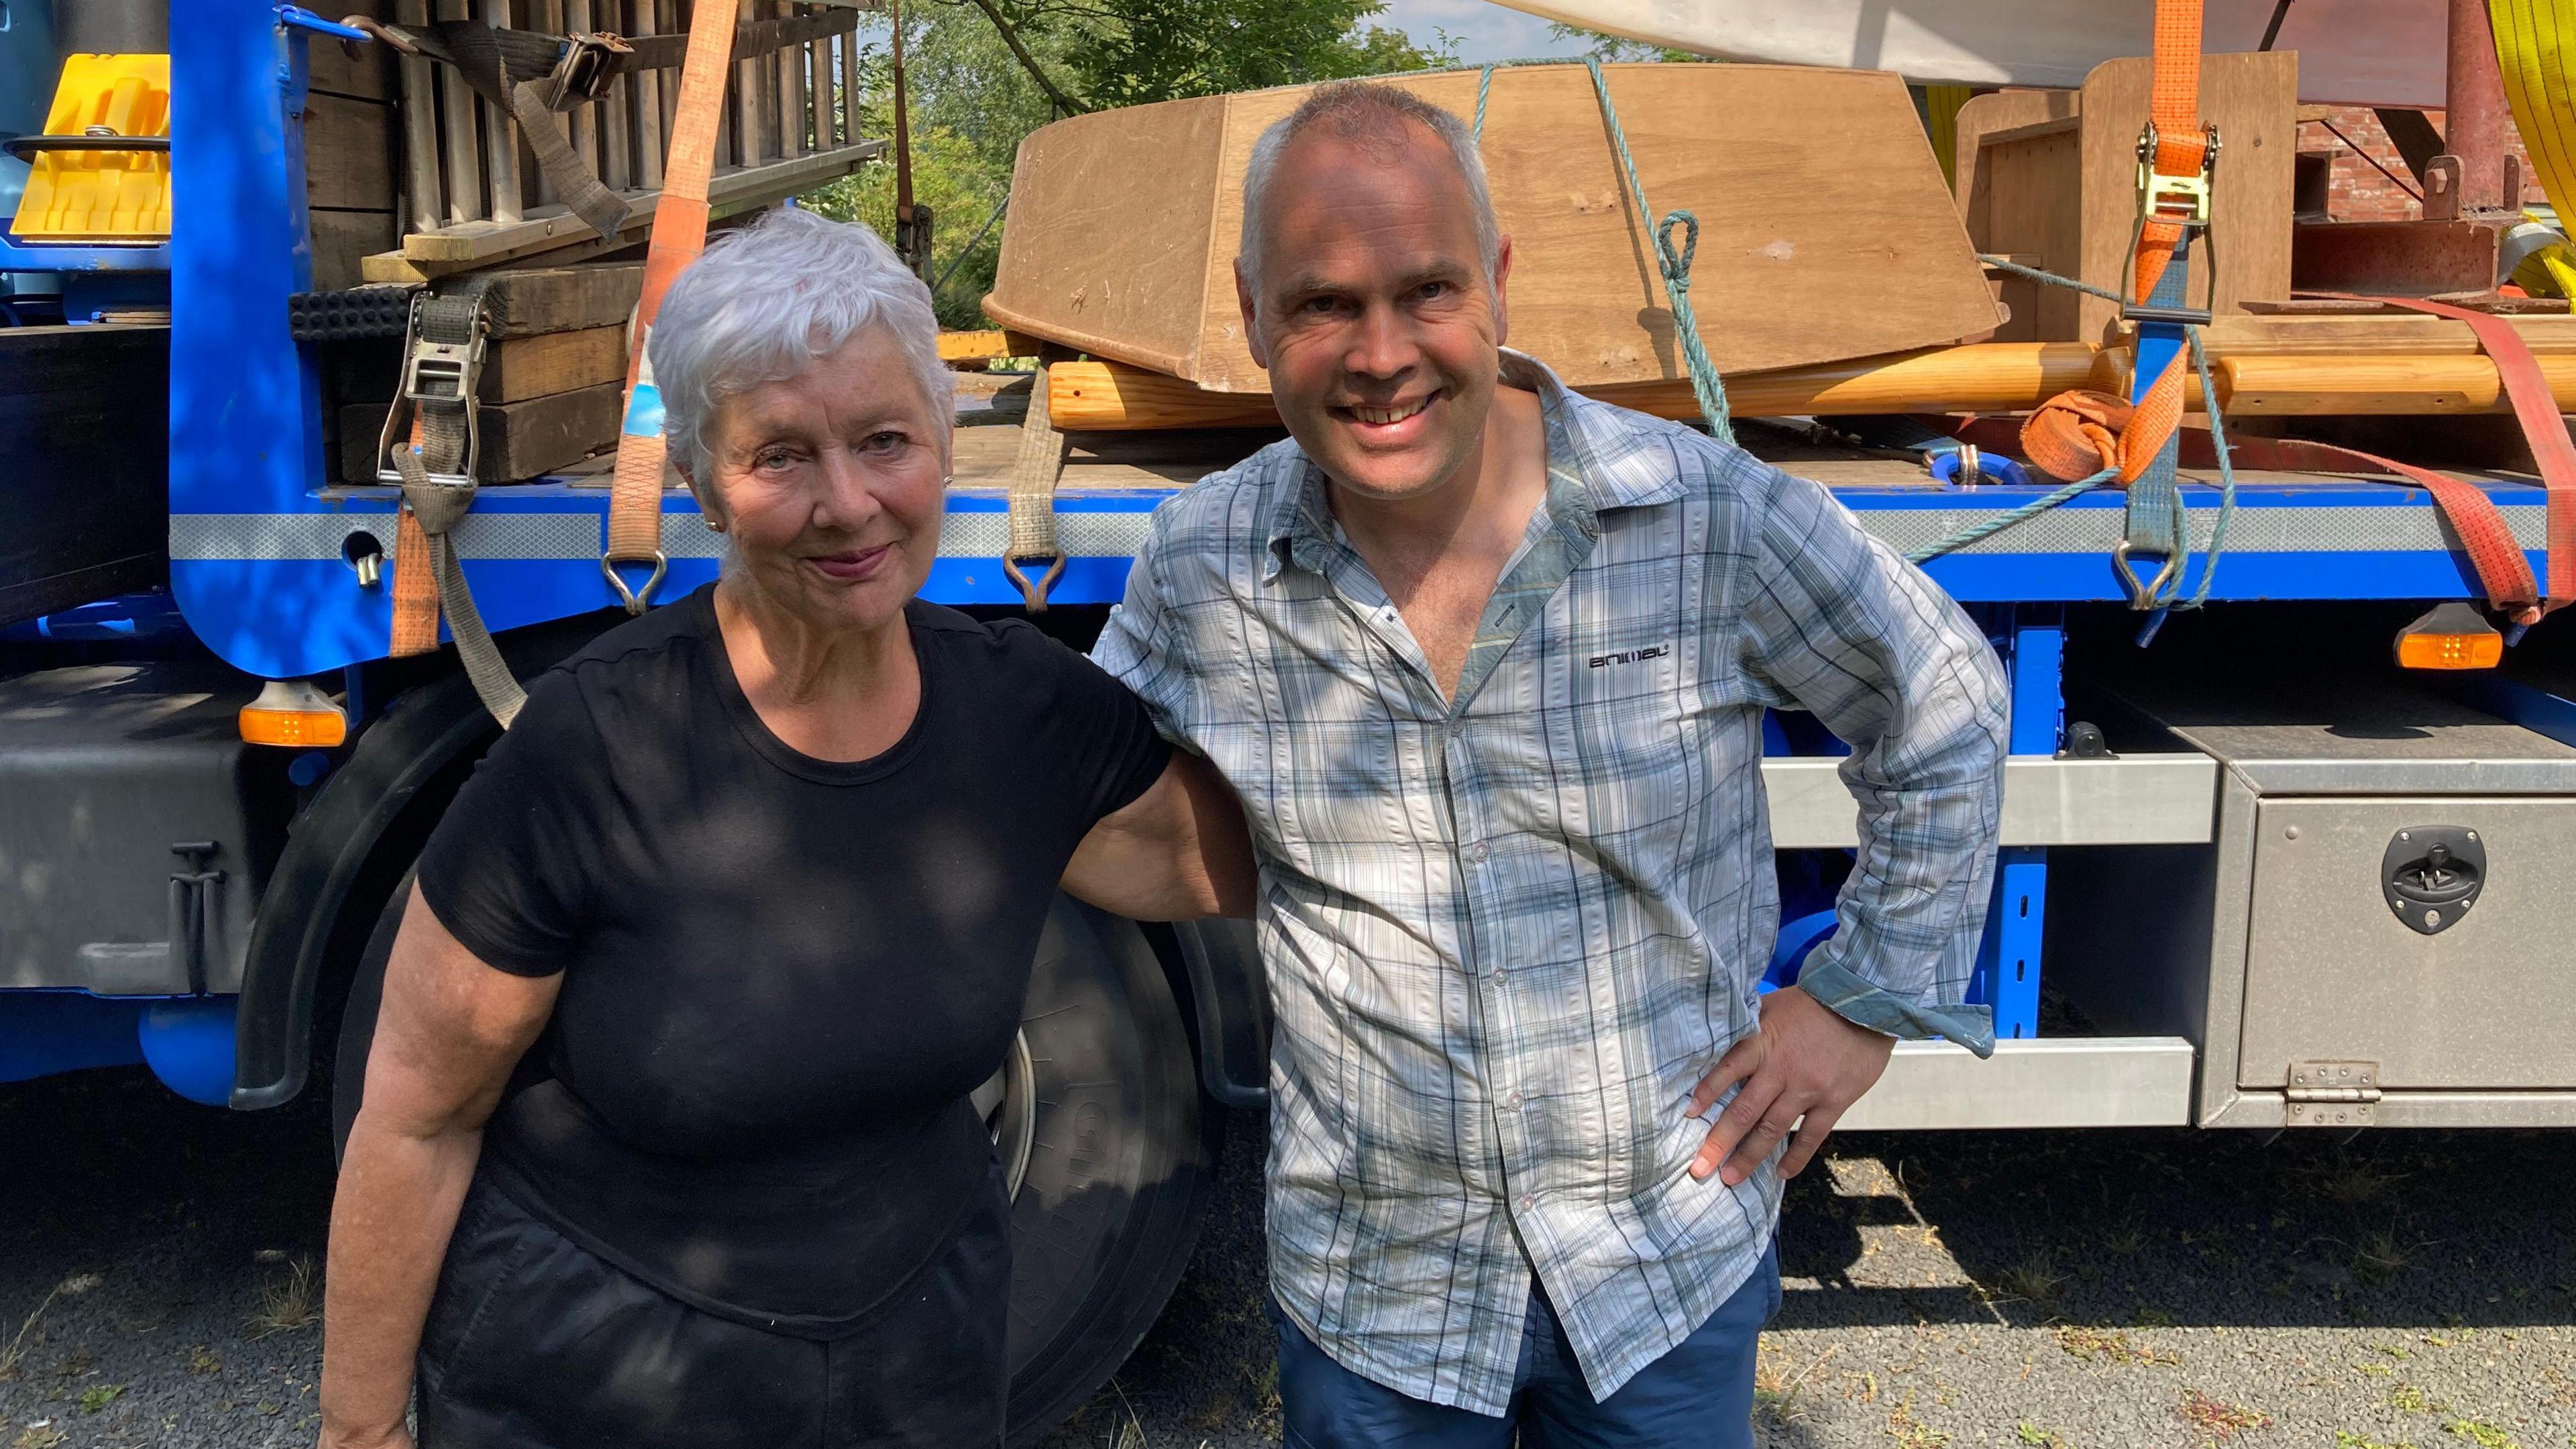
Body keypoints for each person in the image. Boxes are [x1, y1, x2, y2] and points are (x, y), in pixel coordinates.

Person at [1093, 81, 2008, 1448]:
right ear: (1252, 318)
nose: (1381, 352)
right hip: (1375, 1299)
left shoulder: (1699, 515)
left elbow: (1943, 703)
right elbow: (1094, 794)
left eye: (1427, 290)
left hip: (1659, 1271)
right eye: (1323, 304)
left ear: (1501, 285)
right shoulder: (1205, 565)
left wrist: (1861, 1000)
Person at [317, 207, 1254, 1449]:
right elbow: (416, 1119)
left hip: (916, 1361)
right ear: (702, 482)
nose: (850, 504)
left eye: (885, 441)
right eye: (781, 457)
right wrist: (361, 1432)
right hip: (607, 1371)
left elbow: (1258, 852)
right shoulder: (596, 748)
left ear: (943, 445)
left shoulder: (1023, 715)